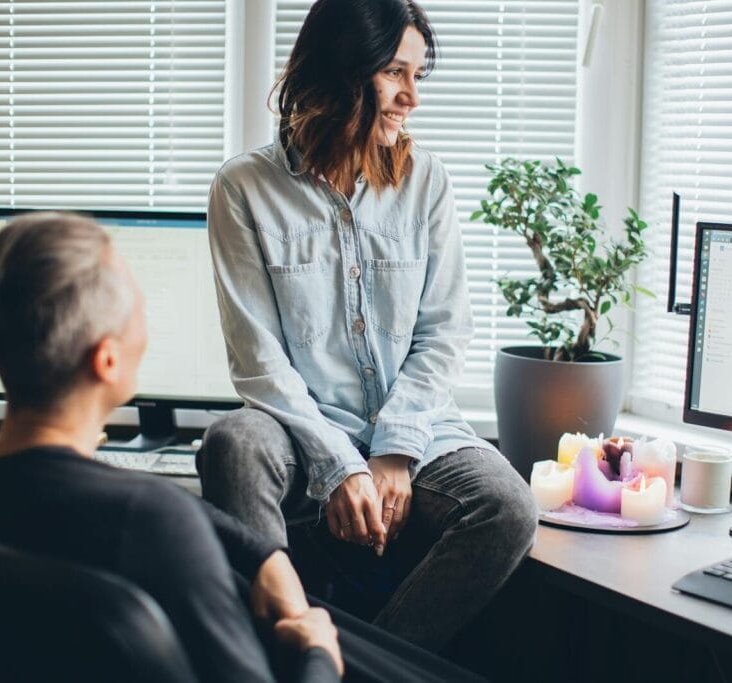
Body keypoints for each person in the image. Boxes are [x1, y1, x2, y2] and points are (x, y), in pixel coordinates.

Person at [202, 0, 539, 652]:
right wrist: (338, 465)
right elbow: (258, 362)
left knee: (510, 506)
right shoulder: (242, 188)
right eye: (395, 73)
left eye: (418, 76)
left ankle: (352, 665)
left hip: (421, 431)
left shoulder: (426, 181)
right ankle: (269, 653)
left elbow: (444, 330)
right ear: (340, 72)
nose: (412, 96)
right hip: (299, 429)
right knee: (233, 442)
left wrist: (394, 447)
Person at [0, 212, 341, 682]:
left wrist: (260, 552)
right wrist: (318, 653)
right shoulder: (152, 522)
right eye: (139, 310)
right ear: (106, 360)